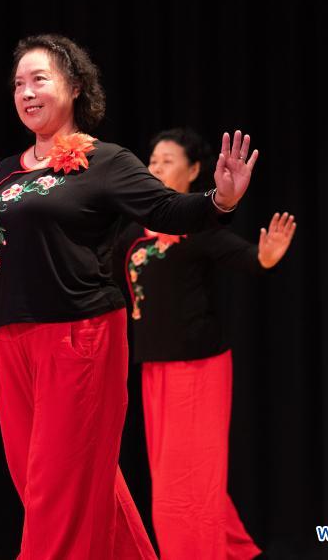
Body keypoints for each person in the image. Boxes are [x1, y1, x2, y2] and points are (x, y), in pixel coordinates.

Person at [0, 34, 259, 559]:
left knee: (56, 490)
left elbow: (167, 212)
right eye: (19, 83)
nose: (26, 91)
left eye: (39, 79)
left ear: (74, 87)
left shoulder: (105, 161)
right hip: (11, 339)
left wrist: (220, 199)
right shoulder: (4, 172)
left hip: (80, 337)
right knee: (56, 483)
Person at [114, 127, 295, 560]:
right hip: (154, 368)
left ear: (194, 170)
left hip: (198, 369)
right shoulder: (131, 234)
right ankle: (237, 552)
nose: (156, 167)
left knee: (185, 485)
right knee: (178, 480)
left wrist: (267, 256)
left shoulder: (199, 226)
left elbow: (249, 259)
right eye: (152, 160)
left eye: (168, 160)